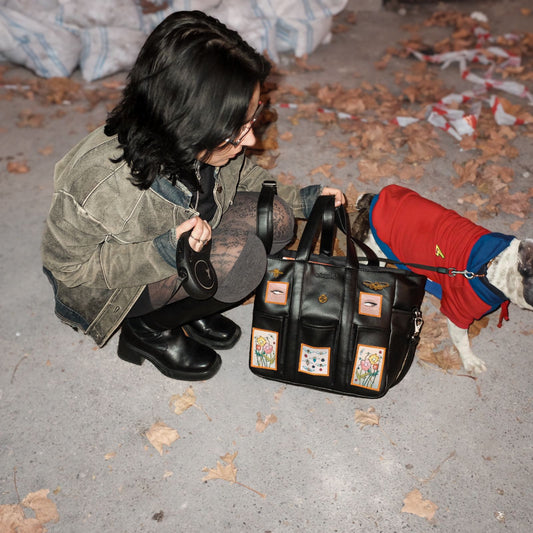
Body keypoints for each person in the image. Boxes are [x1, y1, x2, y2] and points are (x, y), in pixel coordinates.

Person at [41, 10, 345, 382]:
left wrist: (304, 200)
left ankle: (191, 305)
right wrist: (162, 252)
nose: (250, 139)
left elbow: (244, 175)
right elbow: (69, 270)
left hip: (184, 243)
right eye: (238, 129)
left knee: (276, 218)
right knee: (242, 263)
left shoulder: (207, 137)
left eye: (253, 118)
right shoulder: (100, 183)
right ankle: (149, 329)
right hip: (115, 287)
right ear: (189, 122)